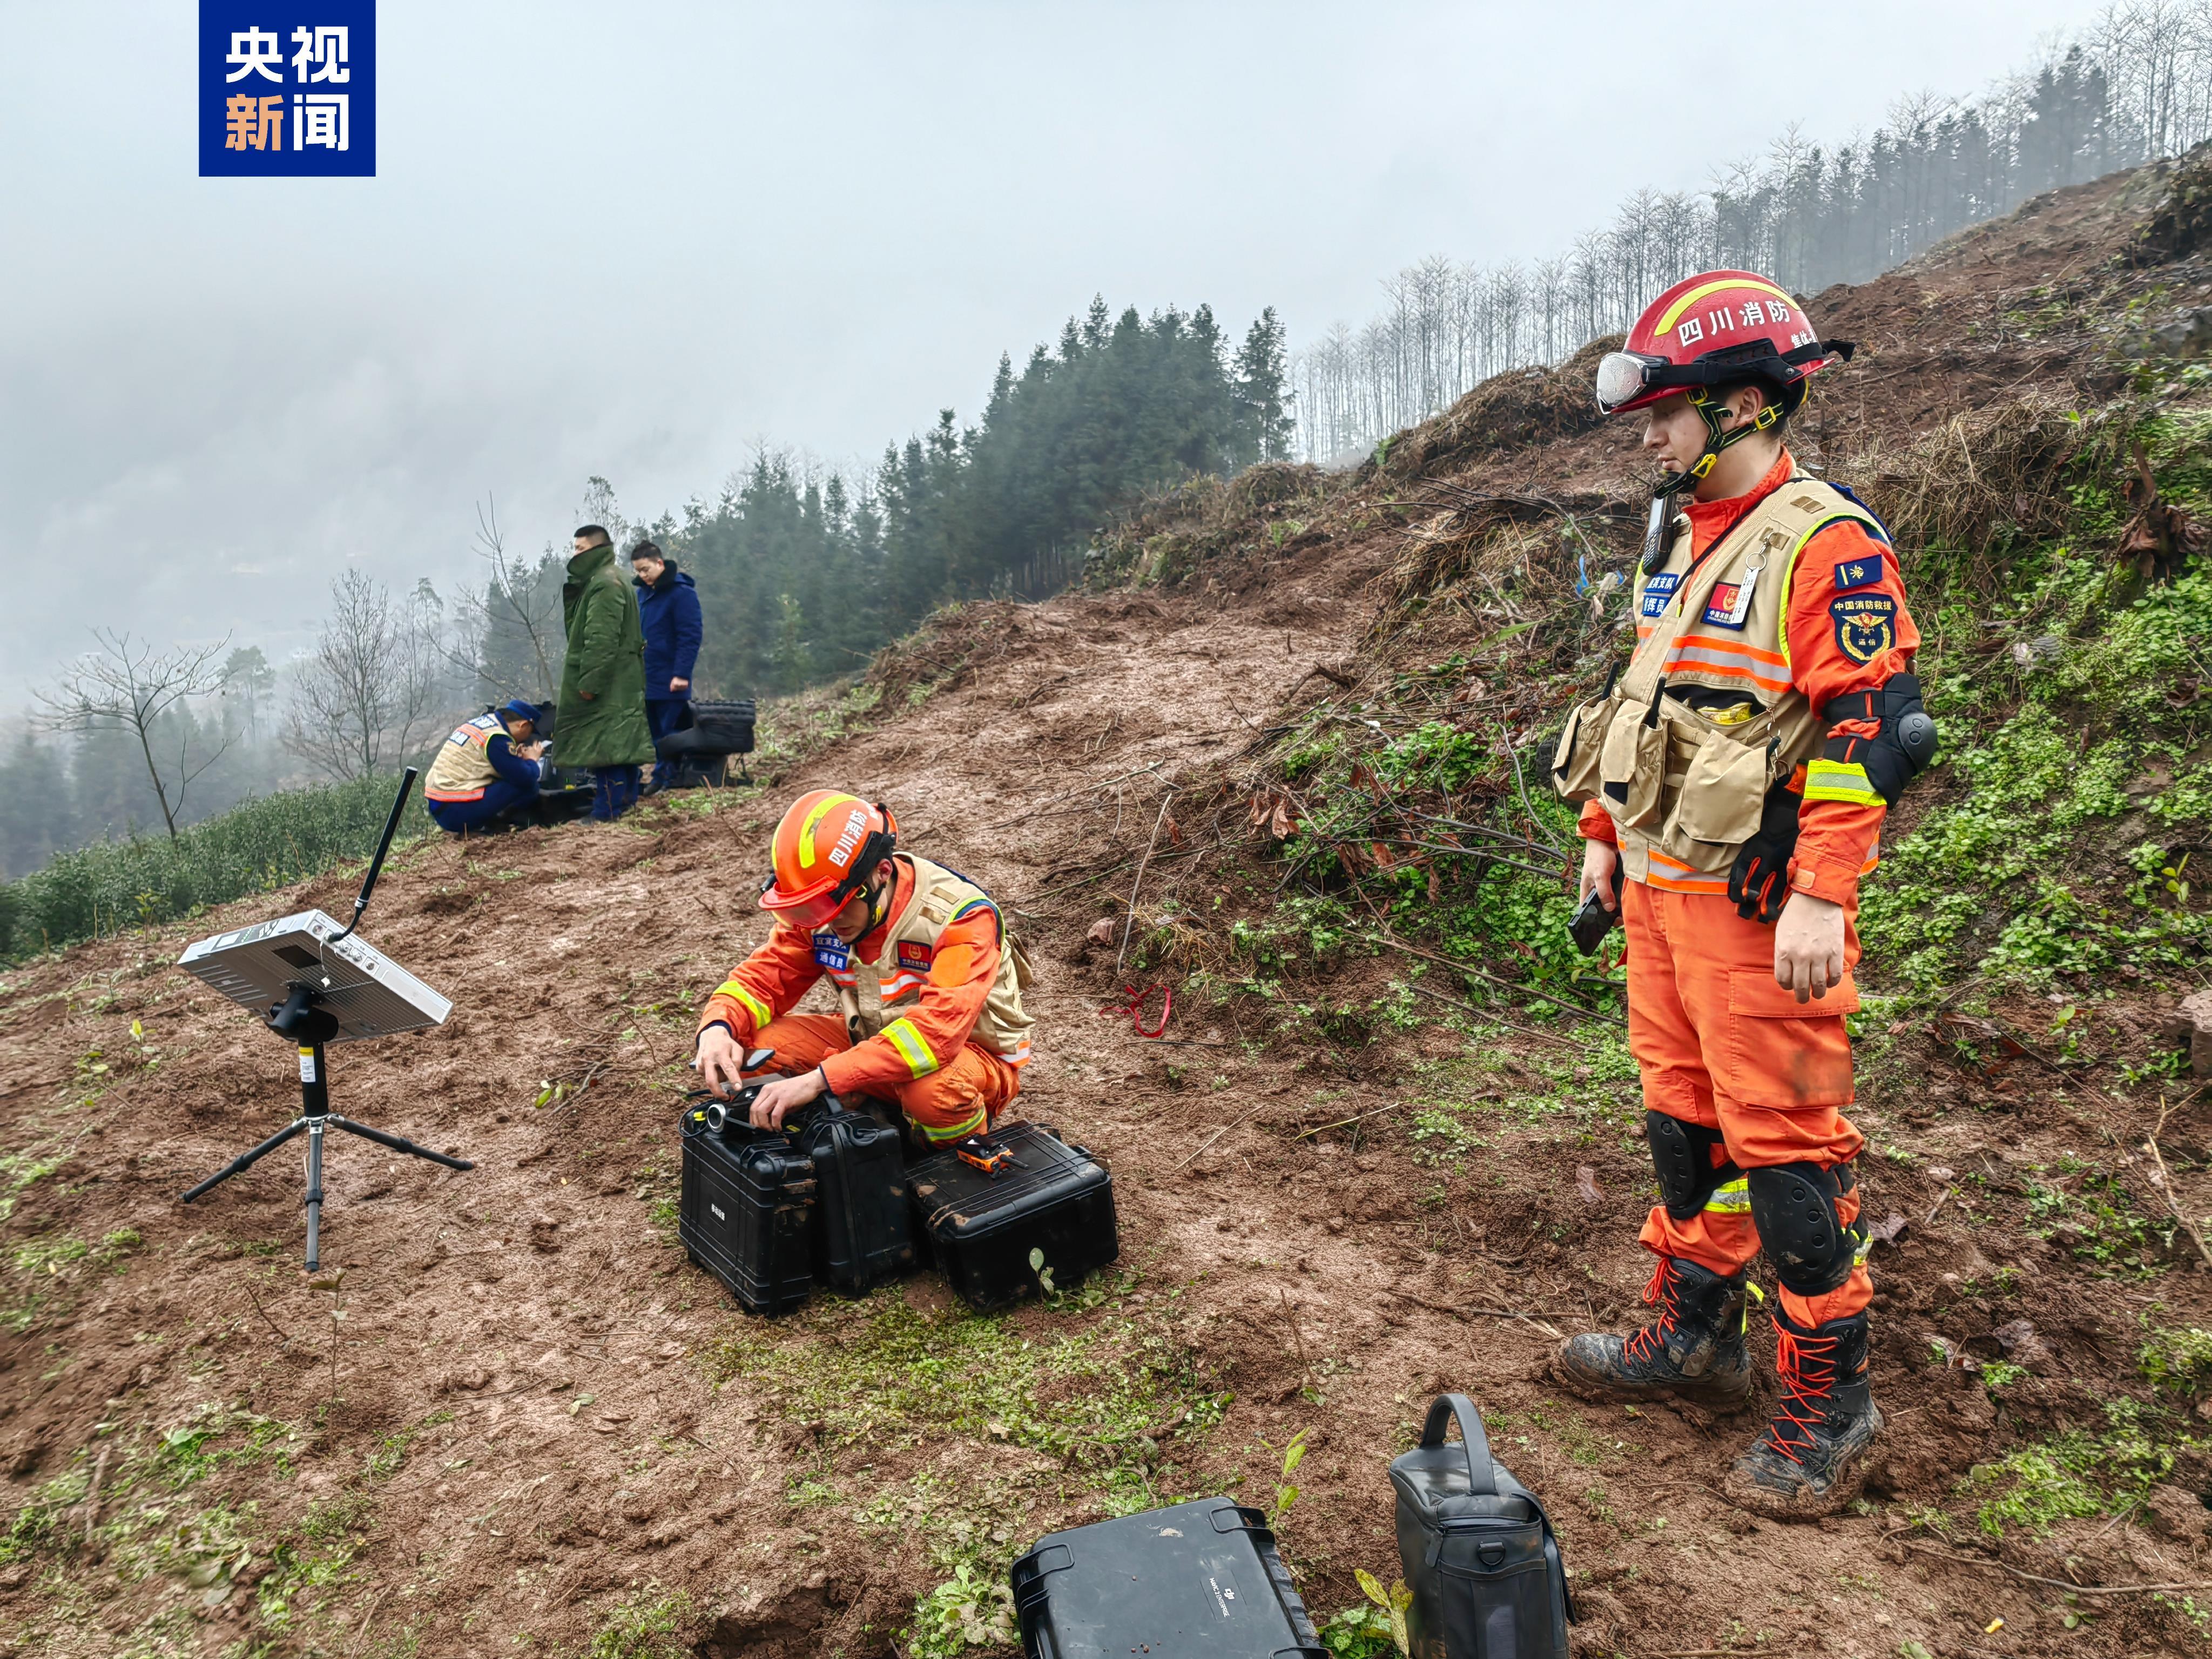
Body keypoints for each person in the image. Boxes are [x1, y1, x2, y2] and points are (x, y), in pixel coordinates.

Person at [1548, 269, 1936, 1519]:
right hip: (1661, 891)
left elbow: (1872, 725)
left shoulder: (1828, 543)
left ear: (1749, 403)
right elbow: (1644, 699)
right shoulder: (1677, 532)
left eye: (1667, 409)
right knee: (1686, 1128)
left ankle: (1835, 1405)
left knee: (1789, 1153)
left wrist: (1824, 890)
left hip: (1758, 914)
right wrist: (1603, 832)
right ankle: (1696, 1335)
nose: (1647, 433)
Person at [693, 790, 1035, 1147]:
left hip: (967, 1058)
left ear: (881, 872)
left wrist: (819, 1080)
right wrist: (719, 1026)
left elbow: (935, 1037)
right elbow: (766, 977)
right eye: (809, 909)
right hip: (871, 1043)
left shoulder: (961, 918)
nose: (823, 920)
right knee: (752, 1051)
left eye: (832, 905)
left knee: (933, 1092)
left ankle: (949, 1162)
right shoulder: (820, 909)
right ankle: (832, 1159)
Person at [556, 524, 656, 821]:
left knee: (606, 746)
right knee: (620, 743)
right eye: (574, 548)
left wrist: (589, 682)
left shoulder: (605, 583)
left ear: (598, 549)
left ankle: (606, 811)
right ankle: (625, 803)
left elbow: (601, 639)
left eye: (581, 549)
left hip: (609, 682)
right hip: (620, 679)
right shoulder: (611, 579)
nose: (576, 555)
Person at [631, 540, 703, 795]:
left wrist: (682, 673)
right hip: (646, 676)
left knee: (670, 731)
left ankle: (671, 777)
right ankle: (660, 777)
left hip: (672, 677)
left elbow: (690, 635)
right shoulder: (641, 595)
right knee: (654, 732)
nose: (642, 575)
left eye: (646, 569)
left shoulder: (682, 593)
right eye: (638, 571)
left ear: (660, 563)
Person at [422, 699, 548, 834]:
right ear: (523, 726)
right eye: (530, 732)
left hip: (441, 805)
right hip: (455, 811)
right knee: (528, 786)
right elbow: (526, 778)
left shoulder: (485, 724)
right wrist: (532, 760)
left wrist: (514, 759)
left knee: (516, 778)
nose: (527, 738)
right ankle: (502, 824)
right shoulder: (497, 738)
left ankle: (490, 821)